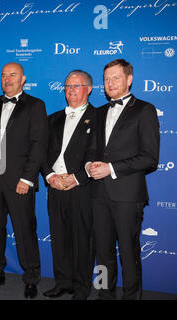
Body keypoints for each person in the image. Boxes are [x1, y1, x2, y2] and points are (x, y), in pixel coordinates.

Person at [86, 59, 160, 300]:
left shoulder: (144, 110)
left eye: (116, 77)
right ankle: (105, 295)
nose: (110, 83)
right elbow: (92, 150)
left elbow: (150, 158)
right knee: (103, 254)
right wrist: (88, 165)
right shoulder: (98, 112)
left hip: (128, 196)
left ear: (129, 80)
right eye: (107, 79)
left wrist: (111, 168)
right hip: (98, 195)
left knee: (129, 254)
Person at [0, 62, 48, 299]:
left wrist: (27, 179)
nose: (7, 79)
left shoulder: (35, 105)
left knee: (24, 231)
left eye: (12, 75)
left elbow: (39, 145)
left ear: (23, 79)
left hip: (20, 181)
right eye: (4, 75)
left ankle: (31, 279)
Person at [40, 70, 96, 300]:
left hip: (82, 189)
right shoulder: (53, 119)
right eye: (67, 86)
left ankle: (82, 289)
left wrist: (76, 178)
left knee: (82, 240)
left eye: (77, 86)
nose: (71, 90)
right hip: (55, 187)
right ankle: (63, 282)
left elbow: (99, 153)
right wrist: (50, 176)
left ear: (89, 89)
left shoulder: (100, 117)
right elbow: (41, 153)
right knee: (59, 237)